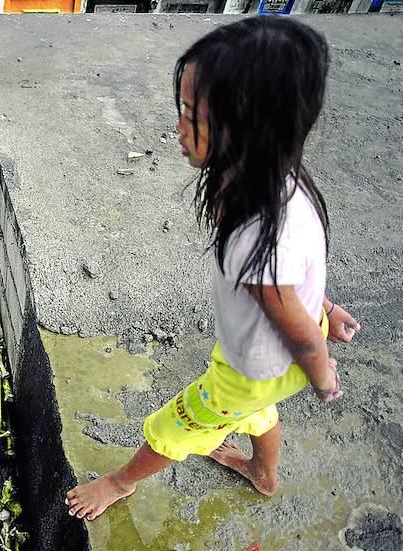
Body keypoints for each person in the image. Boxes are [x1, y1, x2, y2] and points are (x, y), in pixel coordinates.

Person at [65, 16, 362, 521]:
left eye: (189, 113)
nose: (177, 127)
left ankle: (120, 482)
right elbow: (296, 289)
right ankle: (263, 475)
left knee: (176, 427)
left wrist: (323, 374)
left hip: (255, 368)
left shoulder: (257, 231)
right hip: (271, 364)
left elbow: (298, 330)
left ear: (243, 125)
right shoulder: (278, 178)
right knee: (258, 411)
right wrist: (327, 309)